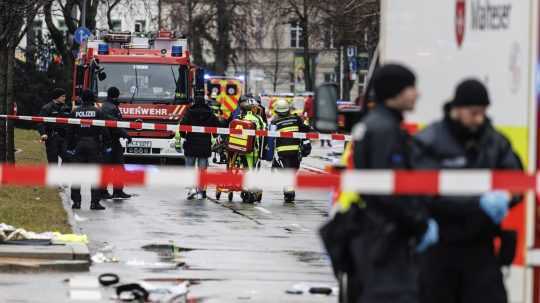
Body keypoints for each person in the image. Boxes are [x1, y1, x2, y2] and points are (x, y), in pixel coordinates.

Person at [413, 79, 523, 303]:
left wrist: (506, 197)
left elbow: (517, 180)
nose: (479, 119)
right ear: (457, 109)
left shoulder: (494, 142)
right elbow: (418, 188)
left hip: (480, 248)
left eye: (483, 112)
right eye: (474, 113)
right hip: (439, 248)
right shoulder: (431, 140)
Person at [348, 64, 438, 303]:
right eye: (411, 88)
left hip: (378, 235)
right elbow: (389, 189)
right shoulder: (385, 130)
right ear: (395, 91)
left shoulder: (375, 124)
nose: (417, 94)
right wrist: (419, 222)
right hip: (387, 240)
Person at [66, 90, 111, 210]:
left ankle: (76, 202)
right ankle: (94, 203)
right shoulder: (98, 112)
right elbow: (104, 130)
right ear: (93, 99)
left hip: (78, 144)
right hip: (94, 144)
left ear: (82, 99)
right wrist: (107, 145)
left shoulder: (75, 112)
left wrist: (69, 148)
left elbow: (70, 131)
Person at [270, 99, 312, 203]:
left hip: (282, 153)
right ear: (288, 109)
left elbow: (270, 138)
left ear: (277, 111)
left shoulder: (274, 122)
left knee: (285, 172)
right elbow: (306, 130)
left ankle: (289, 191)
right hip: (295, 152)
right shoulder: (296, 119)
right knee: (292, 171)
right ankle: (289, 191)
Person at [180, 96, 220, 200]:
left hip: (191, 144)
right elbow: (217, 125)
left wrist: (183, 135)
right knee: (202, 170)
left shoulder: (190, 112)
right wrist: (215, 136)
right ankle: (202, 191)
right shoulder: (209, 113)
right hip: (204, 146)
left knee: (190, 169)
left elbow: (182, 125)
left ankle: (191, 189)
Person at [100, 87, 132, 200]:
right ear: (116, 95)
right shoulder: (110, 107)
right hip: (110, 140)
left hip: (110, 140)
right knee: (116, 166)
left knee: (110, 167)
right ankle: (112, 191)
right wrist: (126, 134)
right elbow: (114, 125)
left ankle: (111, 191)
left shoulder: (107, 105)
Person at [38, 88, 71, 164]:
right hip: (51, 138)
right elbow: (40, 122)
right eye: (63, 96)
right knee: (53, 162)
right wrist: (43, 133)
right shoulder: (47, 108)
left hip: (64, 138)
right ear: (57, 97)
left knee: (68, 159)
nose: (64, 98)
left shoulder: (66, 108)